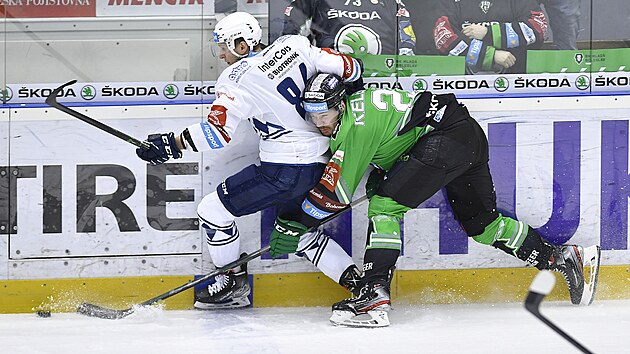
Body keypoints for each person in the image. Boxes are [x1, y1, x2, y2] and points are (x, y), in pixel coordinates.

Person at [267, 72, 601, 327]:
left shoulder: (354, 125)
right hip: (466, 135)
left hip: (445, 141)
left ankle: (373, 296)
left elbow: (335, 195)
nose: (318, 122)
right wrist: (389, 172)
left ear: (339, 104)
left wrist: (298, 224)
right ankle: (561, 257)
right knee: (482, 225)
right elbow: (401, 134)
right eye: (311, 115)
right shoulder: (360, 104)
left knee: (385, 205)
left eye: (323, 114)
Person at [136, 12, 365, 310]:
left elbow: (218, 133)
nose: (220, 54)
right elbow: (351, 68)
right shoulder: (295, 45)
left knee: (212, 211)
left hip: (284, 170)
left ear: (242, 45)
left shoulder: (235, 78)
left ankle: (233, 284)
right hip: (325, 163)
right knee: (303, 235)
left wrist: (172, 143)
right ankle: (363, 286)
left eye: (224, 47)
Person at [433, 0, 548, 74]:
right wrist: (491, 55)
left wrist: (489, 33)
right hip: (463, 83)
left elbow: (538, 26)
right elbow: (444, 37)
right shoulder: (452, 2)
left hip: (516, 80)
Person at [282, 0, 416, 56]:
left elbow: (406, 43)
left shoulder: (391, 2)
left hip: (383, 77)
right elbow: (290, 41)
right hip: (329, 78)